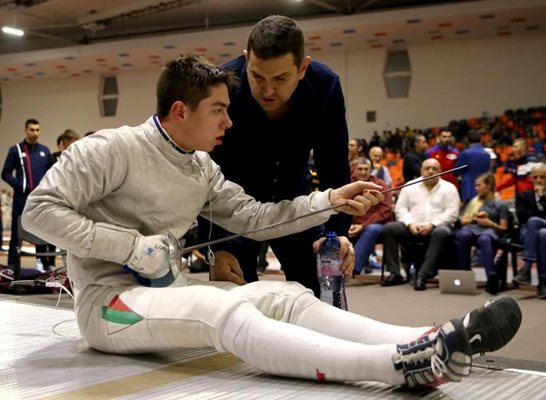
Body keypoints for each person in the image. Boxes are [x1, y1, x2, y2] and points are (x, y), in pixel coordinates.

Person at [22, 54, 521, 389]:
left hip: (161, 294)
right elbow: (38, 213)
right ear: (180, 110)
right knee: (213, 308)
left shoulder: (201, 169)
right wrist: (128, 247)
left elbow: (257, 218)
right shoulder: (110, 149)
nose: (228, 121)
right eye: (218, 110)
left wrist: (329, 199)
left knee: (284, 295)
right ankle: (395, 367)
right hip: (107, 309)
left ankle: (426, 336)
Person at [203, 15, 352, 296]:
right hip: (232, 214)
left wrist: (336, 233)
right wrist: (216, 247)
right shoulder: (222, 88)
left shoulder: (325, 86)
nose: (268, 90)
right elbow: (202, 173)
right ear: (246, 60)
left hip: (294, 203)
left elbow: (333, 165)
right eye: (257, 76)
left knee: (324, 295)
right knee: (235, 308)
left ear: (303, 67)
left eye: (281, 78)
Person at [382, 158, 460, 290]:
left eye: (434, 169)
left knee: (443, 232)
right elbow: (400, 208)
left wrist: (432, 224)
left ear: (440, 171)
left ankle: (423, 275)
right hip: (412, 227)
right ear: (421, 171)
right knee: (389, 228)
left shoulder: (449, 188)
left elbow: (452, 212)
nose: (430, 171)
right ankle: (395, 273)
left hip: (436, 228)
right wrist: (410, 224)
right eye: (427, 168)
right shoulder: (410, 186)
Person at [1, 118, 51, 269]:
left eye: (37, 130)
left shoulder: (45, 151)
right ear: (25, 131)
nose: (35, 133)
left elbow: (51, 173)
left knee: (41, 232)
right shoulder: (15, 150)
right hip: (21, 199)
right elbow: (5, 173)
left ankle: (43, 265)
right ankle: (12, 265)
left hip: (40, 200)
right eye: (32, 130)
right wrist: (21, 186)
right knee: (17, 233)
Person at [456, 173, 510, 294]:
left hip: (490, 231)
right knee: (464, 235)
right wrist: (475, 219)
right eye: (475, 186)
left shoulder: (501, 204)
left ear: (489, 185)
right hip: (472, 229)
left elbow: (504, 228)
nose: (476, 188)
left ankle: (491, 278)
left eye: (479, 185)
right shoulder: (474, 202)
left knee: (484, 239)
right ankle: (465, 275)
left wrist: (490, 223)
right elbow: (463, 221)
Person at [348, 158, 393, 275]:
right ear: (354, 169)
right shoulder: (347, 185)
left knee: (371, 229)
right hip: (351, 224)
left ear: (371, 170)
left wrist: (362, 226)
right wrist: (350, 225)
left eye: (366, 169)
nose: (363, 172)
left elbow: (385, 211)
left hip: (375, 225)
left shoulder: (380, 185)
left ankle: (351, 268)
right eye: (360, 169)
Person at [514, 162, 546, 298]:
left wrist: (543, 198)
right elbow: (522, 217)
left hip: (535, 227)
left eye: (543, 177)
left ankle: (527, 266)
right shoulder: (523, 195)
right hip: (529, 231)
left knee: (536, 223)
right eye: (536, 177)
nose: (539, 180)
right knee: (543, 234)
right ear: (531, 178)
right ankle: (544, 283)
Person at [454, 129, 491, 204]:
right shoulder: (487, 154)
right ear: (480, 139)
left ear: (467, 140)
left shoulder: (466, 153)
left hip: (469, 190)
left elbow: (456, 171)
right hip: (484, 189)